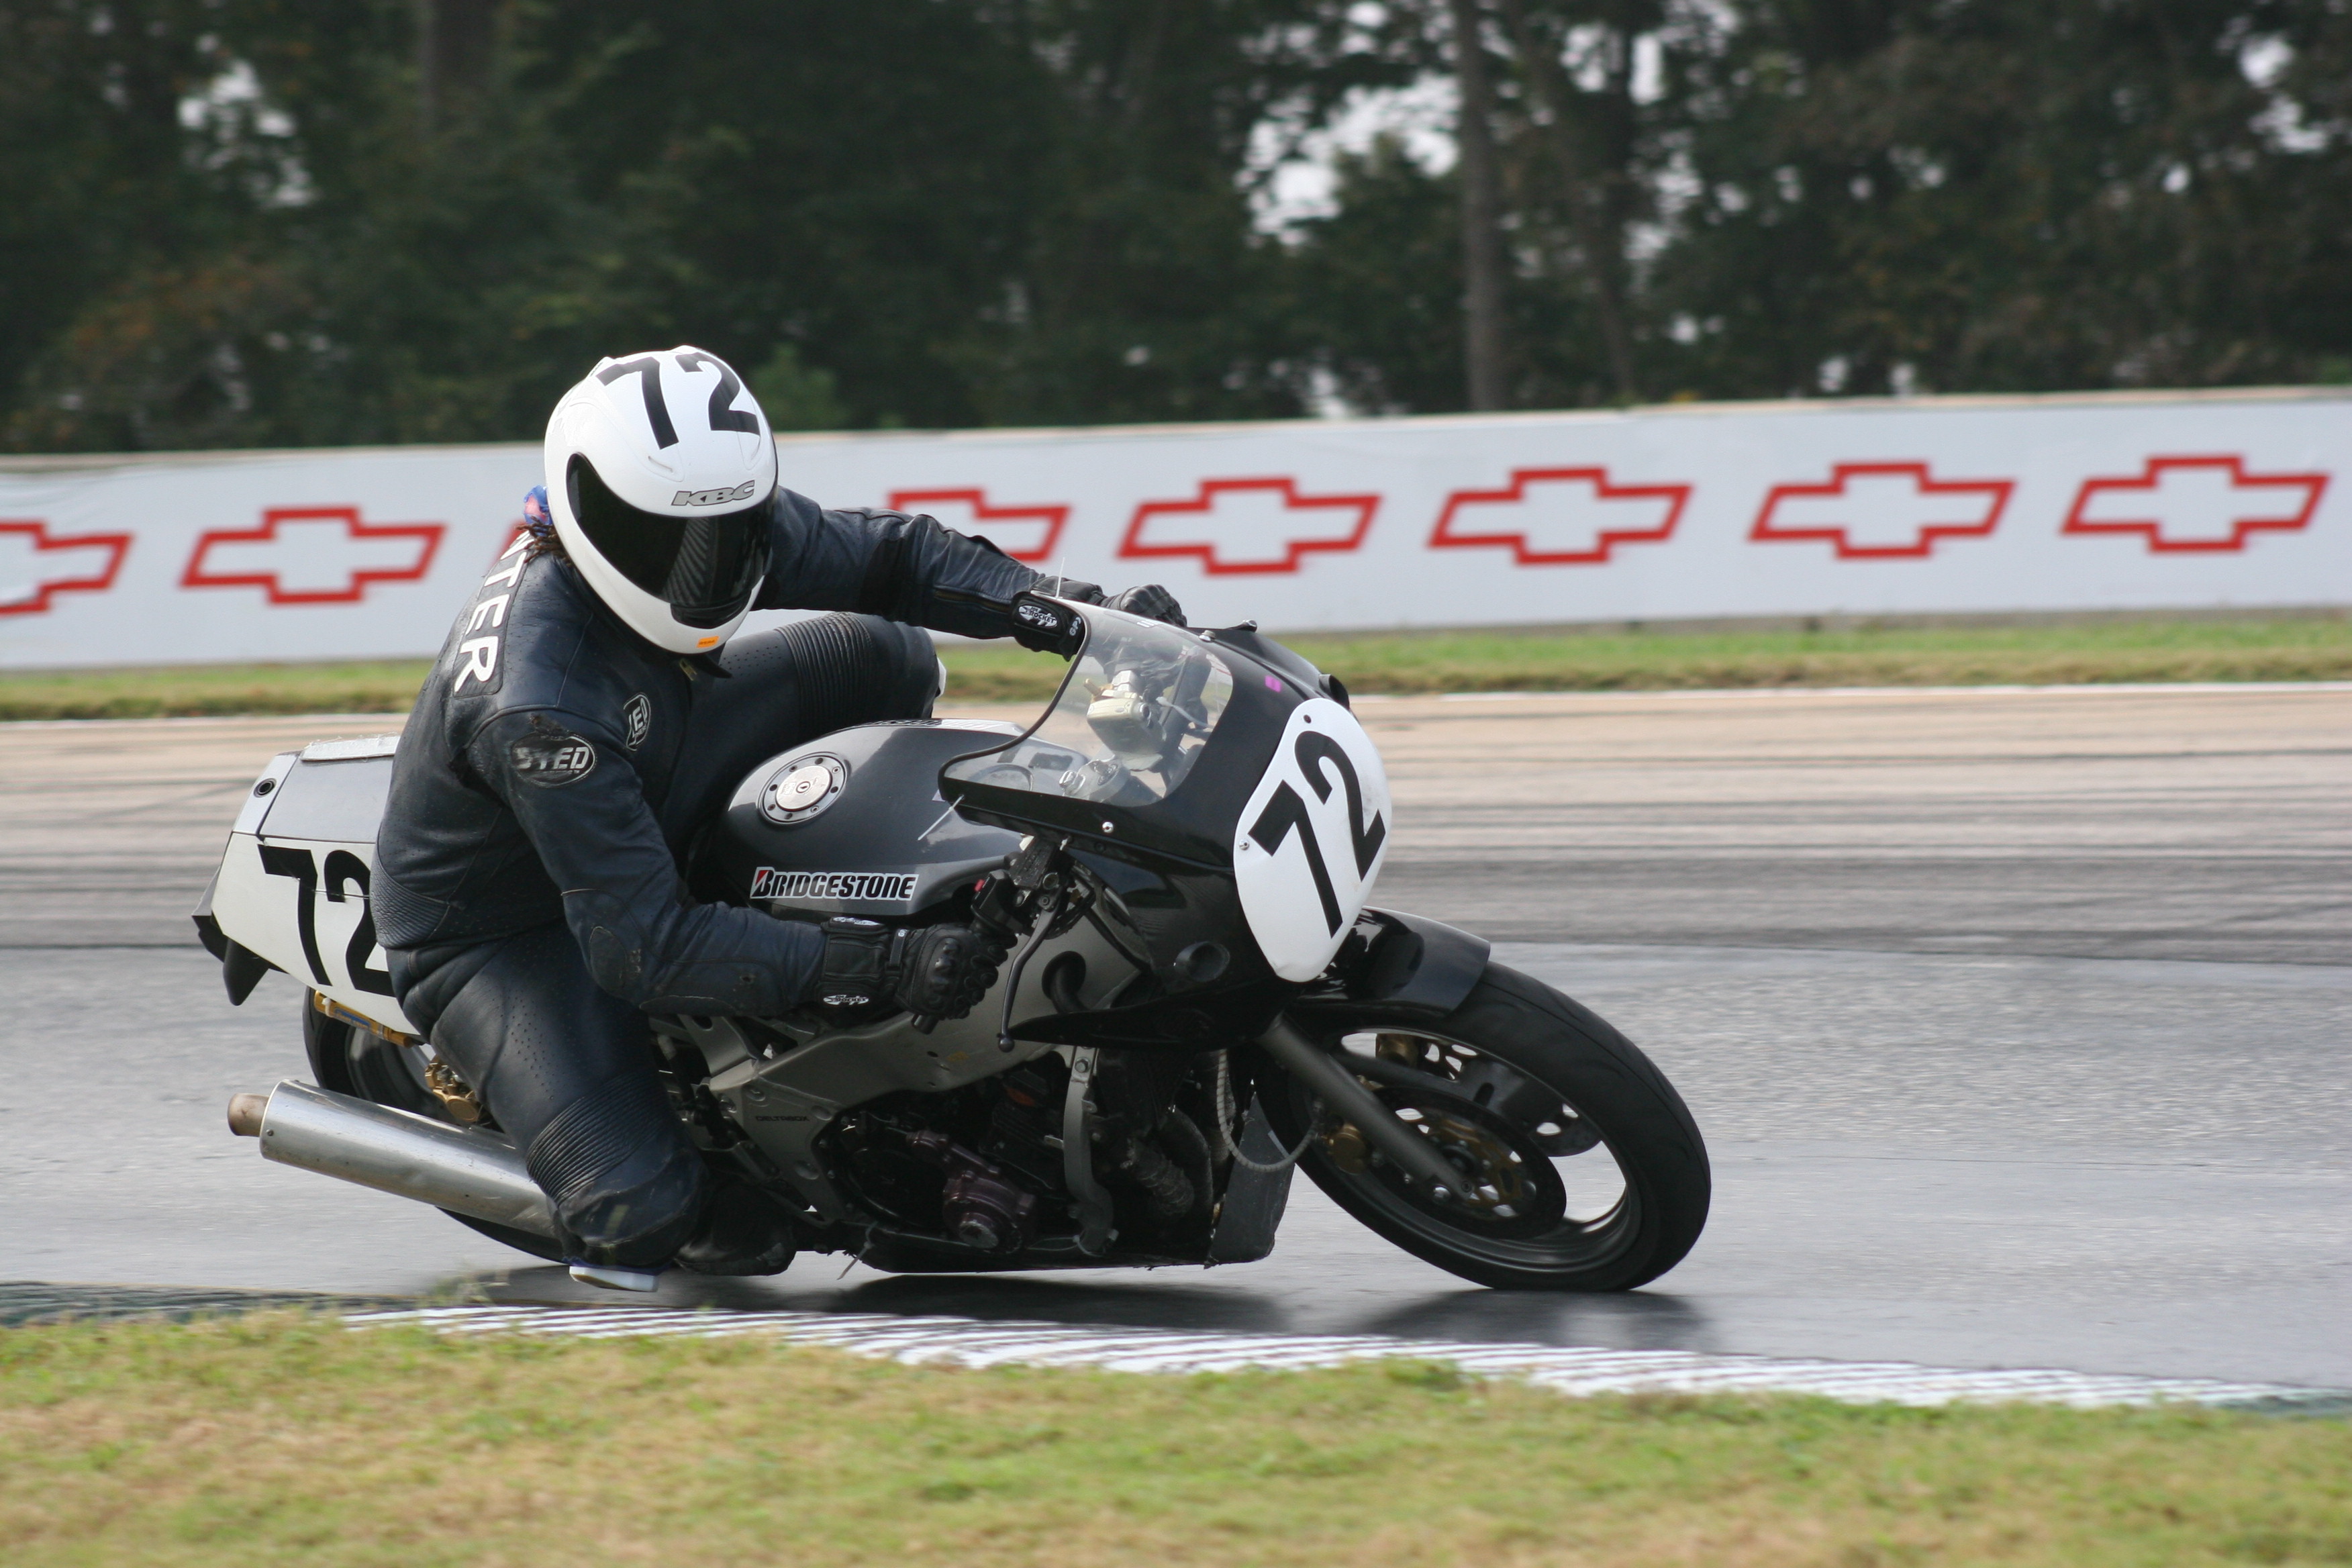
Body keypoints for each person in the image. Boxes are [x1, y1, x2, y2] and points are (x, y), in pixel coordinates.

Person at [371, 346, 1183, 1288]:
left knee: (883, 653)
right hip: (509, 925)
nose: (706, 564)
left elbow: (891, 557)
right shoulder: (538, 706)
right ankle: (627, 1159)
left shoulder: (703, 518)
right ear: (588, 510)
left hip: (648, 760)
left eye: (730, 529)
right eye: (675, 542)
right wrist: (884, 965)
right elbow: (640, 950)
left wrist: (1077, 612)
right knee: (657, 1216)